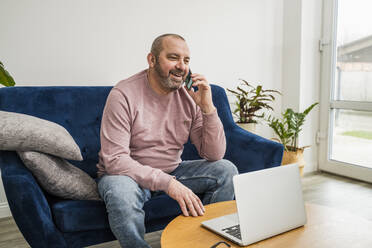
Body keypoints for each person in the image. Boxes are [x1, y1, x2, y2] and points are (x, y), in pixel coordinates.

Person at [96, 33, 238, 248]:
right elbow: (115, 160)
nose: (181, 66)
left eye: (186, 60)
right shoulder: (123, 94)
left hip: (171, 169)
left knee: (226, 170)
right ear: (152, 60)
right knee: (121, 194)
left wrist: (207, 108)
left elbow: (214, 154)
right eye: (173, 57)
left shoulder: (190, 96)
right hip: (126, 175)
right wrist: (168, 183)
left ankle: (204, 243)